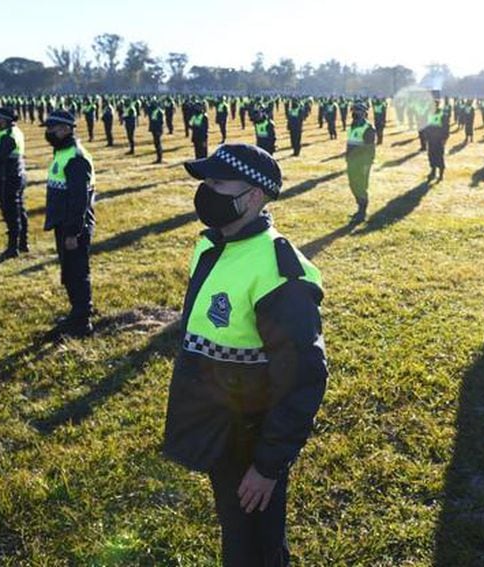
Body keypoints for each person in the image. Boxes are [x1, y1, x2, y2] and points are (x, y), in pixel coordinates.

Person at [163, 143, 327, 567]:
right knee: (237, 535)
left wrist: (268, 466)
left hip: (253, 443)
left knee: (256, 548)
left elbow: (304, 378)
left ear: (254, 196)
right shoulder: (212, 246)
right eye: (205, 182)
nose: (206, 191)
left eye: (217, 183)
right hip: (221, 432)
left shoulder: (280, 275)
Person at [41, 110, 96, 338]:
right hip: (63, 223)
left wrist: (73, 232)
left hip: (74, 226)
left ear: (65, 129)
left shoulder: (75, 158)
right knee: (69, 271)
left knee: (77, 271)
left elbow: (78, 200)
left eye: (52, 129)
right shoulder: (62, 152)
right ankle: (77, 311)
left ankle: (82, 322)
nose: (48, 132)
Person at [0, 107, 29, 258]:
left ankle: (13, 247)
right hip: (18, 172)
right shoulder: (15, 131)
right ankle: (23, 242)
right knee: (19, 208)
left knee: (11, 210)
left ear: (5, 120)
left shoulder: (8, 136)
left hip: (10, 175)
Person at [345, 102, 377, 223]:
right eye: (353, 112)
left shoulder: (368, 128)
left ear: (364, 113)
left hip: (362, 162)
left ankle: (362, 212)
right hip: (352, 161)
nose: (355, 114)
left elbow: (370, 149)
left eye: (357, 111)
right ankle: (360, 207)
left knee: (361, 186)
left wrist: (367, 164)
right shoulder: (352, 126)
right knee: (353, 185)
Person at [422, 99, 448, 182]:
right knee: (431, 156)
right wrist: (425, 136)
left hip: (439, 140)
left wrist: (444, 138)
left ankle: (441, 174)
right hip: (431, 139)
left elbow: (446, 127)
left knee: (439, 156)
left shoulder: (442, 114)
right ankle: (433, 171)